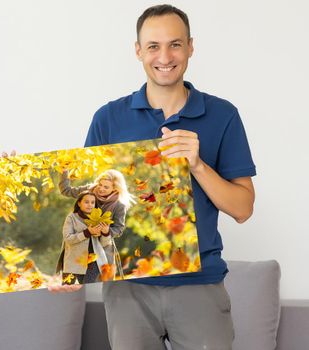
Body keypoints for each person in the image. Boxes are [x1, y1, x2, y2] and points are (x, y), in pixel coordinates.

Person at [83, 4, 256, 350]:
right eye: (153, 46)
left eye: (175, 44)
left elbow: (243, 208)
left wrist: (198, 166)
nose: (165, 56)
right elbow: (85, 207)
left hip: (200, 284)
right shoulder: (108, 118)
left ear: (191, 47)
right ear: (138, 51)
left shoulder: (223, 115)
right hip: (128, 287)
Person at [59, 169, 133, 267]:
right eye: (100, 184)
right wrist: (64, 171)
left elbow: (119, 229)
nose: (101, 189)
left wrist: (107, 231)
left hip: (101, 246)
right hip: (79, 240)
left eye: (106, 187)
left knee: (101, 278)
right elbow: (66, 190)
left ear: (114, 189)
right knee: (70, 276)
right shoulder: (89, 190)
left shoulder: (119, 205)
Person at [56, 191, 111, 284]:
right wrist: (87, 232)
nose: (90, 205)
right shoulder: (71, 218)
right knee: (66, 290)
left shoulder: (99, 219)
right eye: (86, 202)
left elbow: (104, 244)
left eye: (92, 202)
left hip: (93, 262)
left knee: (89, 292)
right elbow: (68, 238)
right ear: (79, 203)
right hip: (73, 260)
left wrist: (106, 233)